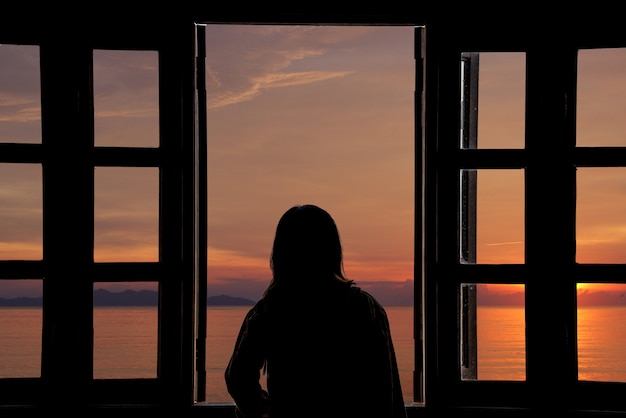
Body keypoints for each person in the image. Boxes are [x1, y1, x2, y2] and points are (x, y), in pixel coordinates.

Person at [225, 204, 407, 418]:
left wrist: (264, 410)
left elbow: (237, 377)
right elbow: (387, 389)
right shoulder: (365, 309)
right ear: (333, 251)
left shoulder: (270, 311)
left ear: (280, 255)